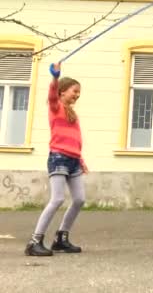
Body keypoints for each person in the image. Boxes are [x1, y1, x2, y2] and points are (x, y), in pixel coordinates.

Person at [25, 62, 88, 256]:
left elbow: (75, 139)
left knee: (79, 199)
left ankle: (61, 238)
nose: (77, 95)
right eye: (74, 91)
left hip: (73, 160)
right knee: (58, 198)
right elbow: (51, 94)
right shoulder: (55, 106)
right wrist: (54, 77)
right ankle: (34, 241)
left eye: (79, 92)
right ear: (62, 92)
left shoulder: (72, 113)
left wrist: (81, 159)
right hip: (59, 158)